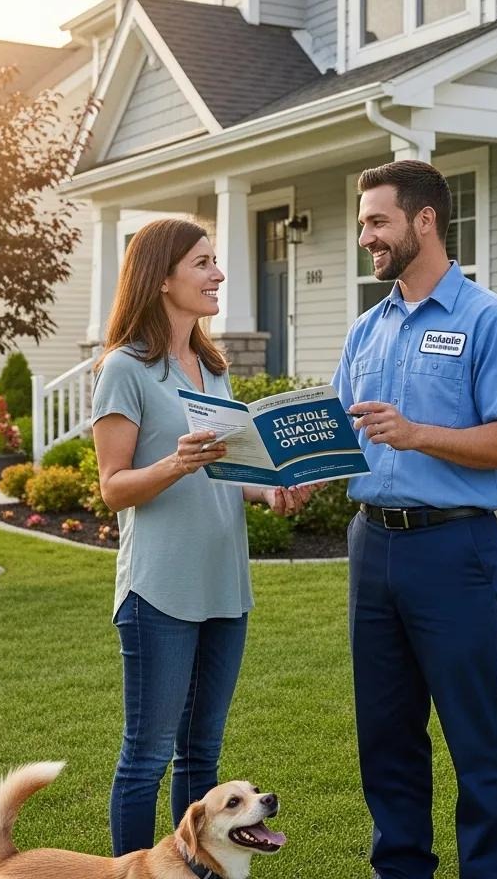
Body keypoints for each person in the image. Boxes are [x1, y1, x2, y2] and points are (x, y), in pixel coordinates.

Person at [333, 160, 497, 879]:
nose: (366, 236)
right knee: (386, 737)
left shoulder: (491, 321)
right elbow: (341, 437)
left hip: (455, 551)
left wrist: (417, 432)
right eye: (363, 223)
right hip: (372, 549)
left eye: (378, 221)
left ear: (425, 221)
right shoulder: (366, 330)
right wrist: (290, 480)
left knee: (476, 738)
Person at [91, 217, 316, 855]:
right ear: (162, 278)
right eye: (202, 263)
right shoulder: (124, 370)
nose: (218, 274)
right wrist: (175, 463)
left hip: (225, 584)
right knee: (147, 756)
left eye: (215, 261)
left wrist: (270, 489)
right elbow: (114, 487)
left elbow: (229, 472)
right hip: (160, 588)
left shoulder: (213, 370)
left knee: (202, 756)